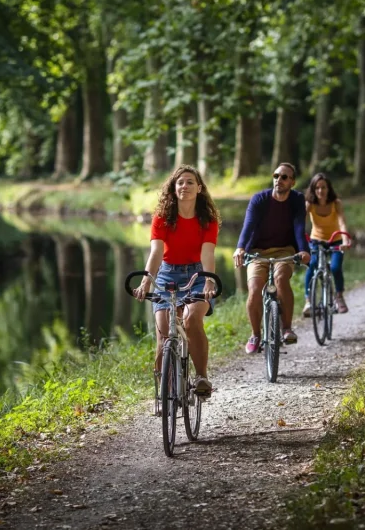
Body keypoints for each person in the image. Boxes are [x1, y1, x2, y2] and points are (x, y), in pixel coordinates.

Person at [133, 164, 220, 399]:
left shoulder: (207, 220)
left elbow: (208, 253)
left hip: (197, 275)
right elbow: (156, 252)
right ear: (173, 188)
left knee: (191, 320)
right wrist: (146, 281)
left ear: (199, 188)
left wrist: (209, 281)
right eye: (180, 182)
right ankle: (165, 390)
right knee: (163, 335)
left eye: (190, 182)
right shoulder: (162, 218)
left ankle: (201, 377)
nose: (185, 186)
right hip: (167, 273)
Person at [232, 163, 311, 353]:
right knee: (254, 288)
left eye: (284, 177)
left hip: (285, 250)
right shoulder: (259, 199)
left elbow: (299, 226)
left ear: (292, 182)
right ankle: (255, 335)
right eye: (276, 176)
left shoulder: (297, 199)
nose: (279, 180)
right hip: (258, 251)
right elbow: (248, 225)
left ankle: (286, 328)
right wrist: (240, 248)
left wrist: (303, 250)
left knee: (281, 279)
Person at [303, 172, 352, 316]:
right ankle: (308, 301)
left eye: (323, 187)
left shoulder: (336, 203)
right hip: (316, 241)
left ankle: (339, 297)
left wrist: (345, 240)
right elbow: (301, 223)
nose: (320, 191)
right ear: (313, 189)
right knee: (312, 265)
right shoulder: (310, 204)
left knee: (336, 268)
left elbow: (342, 222)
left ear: (328, 188)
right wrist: (298, 240)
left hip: (335, 240)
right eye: (317, 188)